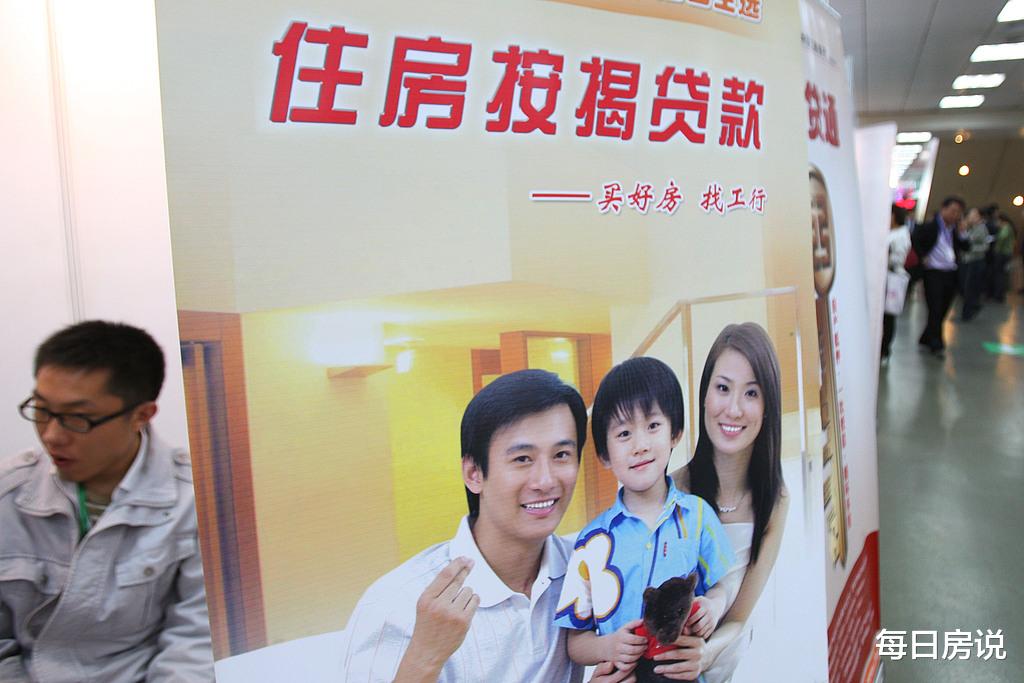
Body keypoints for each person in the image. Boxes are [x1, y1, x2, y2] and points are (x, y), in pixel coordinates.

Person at [342, 369, 639, 683]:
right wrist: (424, 659)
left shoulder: (588, 568)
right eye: (522, 459)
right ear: (473, 474)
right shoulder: (396, 603)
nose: (546, 480)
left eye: (561, 455)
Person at [0, 321, 214, 683]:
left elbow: (195, 641)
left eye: (78, 418)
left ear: (141, 415)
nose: (52, 436)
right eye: (42, 410)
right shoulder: (9, 493)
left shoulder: (193, 500)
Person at [555, 357, 734, 676]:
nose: (640, 445)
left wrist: (713, 606)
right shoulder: (591, 542)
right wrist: (607, 646)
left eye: (653, 426)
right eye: (624, 433)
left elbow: (723, 585)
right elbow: (575, 642)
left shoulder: (697, 517)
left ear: (675, 433)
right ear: (604, 454)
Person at [671, 322, 788, 683]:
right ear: (705, 396)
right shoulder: (672, 491)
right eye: (723, 388)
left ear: (767, 407)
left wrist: (705, 654)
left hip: (727, 665)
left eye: (751, 393)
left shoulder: (775, 500)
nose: (733, 409)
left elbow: (738, 618)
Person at [911, 196, 969, 356]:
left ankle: (926, 337)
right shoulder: (930, 226)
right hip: (933, 272)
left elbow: (966, 247)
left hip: (951, 273)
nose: (955, 215)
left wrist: (963, 233)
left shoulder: (956, 230)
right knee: (935, 307)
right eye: (953, 211)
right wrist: (922, 257)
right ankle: (937, 343)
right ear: (943, 209)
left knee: (943, 308)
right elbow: (915, 239)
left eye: (958, 212)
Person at [881, 204, 911, 365]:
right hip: (884, 277)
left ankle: (885, 350)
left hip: (891, 278)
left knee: (888, 316)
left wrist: (884, 256)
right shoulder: (891, 232)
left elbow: (899, 258)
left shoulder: (901, 234)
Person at [958, 207, 990, 322]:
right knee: (965, 286)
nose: (970, 218)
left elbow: (984, 246)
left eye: (973, 215)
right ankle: (972, 307)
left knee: (969, 288)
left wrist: (970, 248)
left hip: (975, 261)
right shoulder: (971, 227)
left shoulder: (981, 229)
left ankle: (968, 312)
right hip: (968, 260)